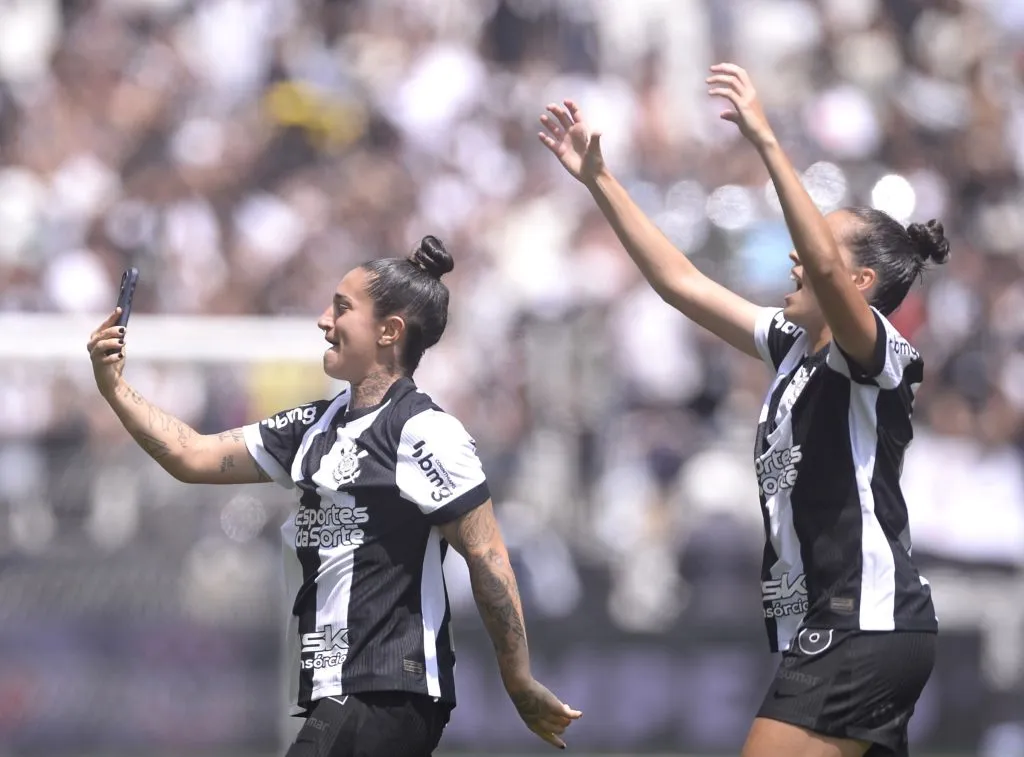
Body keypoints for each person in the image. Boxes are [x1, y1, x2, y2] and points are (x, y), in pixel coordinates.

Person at [538, 64, 944, 757]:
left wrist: (765, 141)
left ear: (860, 282)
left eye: (815, 248)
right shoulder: (792, 346)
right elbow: (680, 283)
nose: (796, 259)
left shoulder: (874, 352)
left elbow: (821, 263)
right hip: (841, 625)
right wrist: (600, 180)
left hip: (862, 621)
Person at [86, 236, 582, 756]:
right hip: (341, 692)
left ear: (389, 331)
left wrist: (517, 679)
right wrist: (114, 386)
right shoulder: (313, 426)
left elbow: (486, 553)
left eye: (342, 308)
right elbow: (191, 455)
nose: (324, 320)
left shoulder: (423, 431)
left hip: (388, 689)